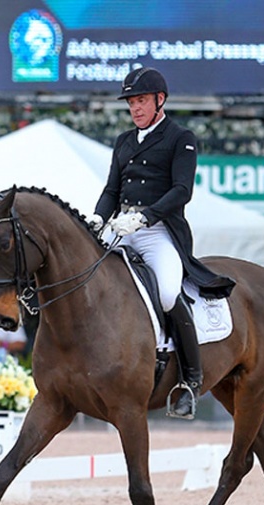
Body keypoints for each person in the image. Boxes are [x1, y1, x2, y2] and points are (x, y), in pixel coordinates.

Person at [90, 66, 235, 419]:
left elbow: (181, 190)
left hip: (157, 232)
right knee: (89, 277)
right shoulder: (124, 141)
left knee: (169, 293)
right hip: (121, 227)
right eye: (131, 103)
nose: (135, 108)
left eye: (141, 101)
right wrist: (97, 217)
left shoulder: (179, 137)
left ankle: (190, 380)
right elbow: (112, 189)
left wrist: (145, 216)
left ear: (159, 100)